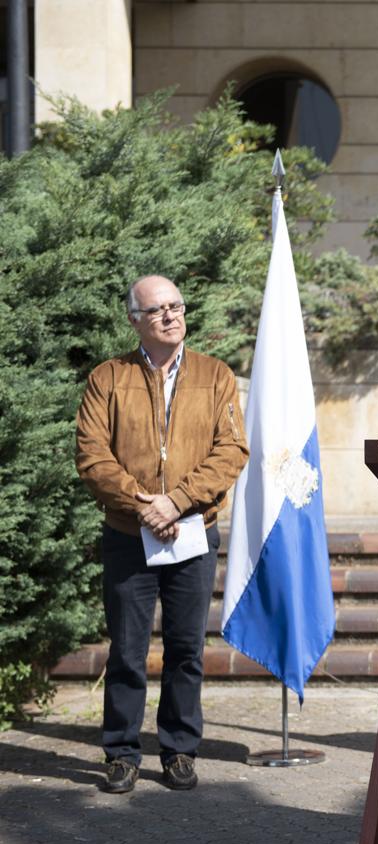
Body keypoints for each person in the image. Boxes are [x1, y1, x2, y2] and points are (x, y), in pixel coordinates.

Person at [75, 275, 249, 794]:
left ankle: (178, 749)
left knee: (185, 648)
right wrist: (143, 503)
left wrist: (176, 501)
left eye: (177, 306)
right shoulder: (107, 378)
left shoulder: (216, 376)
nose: (171, 316)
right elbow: (92, 455)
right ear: (135, 320)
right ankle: (122, 752)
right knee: (127, 649)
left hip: (194, 531)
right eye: (157, 310)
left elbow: (231, 451)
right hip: (129, 535)